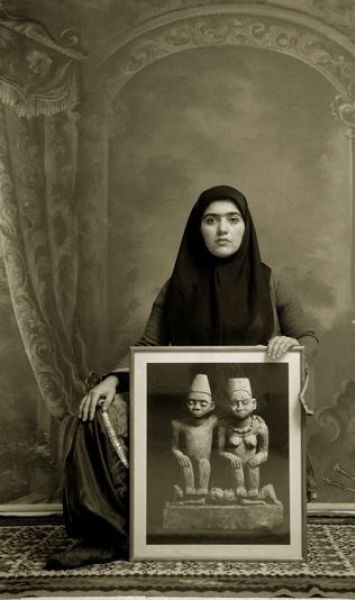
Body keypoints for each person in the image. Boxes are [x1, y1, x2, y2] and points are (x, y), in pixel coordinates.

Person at [46, 185, 318, 569]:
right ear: (197, 228)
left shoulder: (271, 282)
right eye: (211, 220)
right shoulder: (176, 287)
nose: (222, 229)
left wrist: (291, 344)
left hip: (247, 406)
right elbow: (148, 346)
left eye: (233, 219)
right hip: (190, 403)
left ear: (246, 227)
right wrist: (111, 381)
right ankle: (111, 535)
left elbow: (308, 338)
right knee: (95, 414)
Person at [218, 377, 268, 499]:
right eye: (234, 403)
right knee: (237, 466)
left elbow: (264, 452)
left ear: (253, 404)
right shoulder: (224, 426)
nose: (240, 407)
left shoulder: (259, 425)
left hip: (252, 468)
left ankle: (253, 491)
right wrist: (231, 457)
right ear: (228, 404)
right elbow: (220, 451)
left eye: (245, 403)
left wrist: (258, 458)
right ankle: (239, 489)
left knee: (252, 491)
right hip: (233, 471)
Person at [171, 373, 218, 497]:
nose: (196, 407)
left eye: (203, 404)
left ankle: (203, 489)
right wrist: (179, 455)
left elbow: (232, 420)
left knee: (204, 463)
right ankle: (189, 490)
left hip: (205, 462)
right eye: (192, 402)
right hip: (187, 461)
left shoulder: (212, 422)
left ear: (212, 406)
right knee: (187, 467)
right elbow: (175, 447)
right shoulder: (179, 425)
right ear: (186, 403)